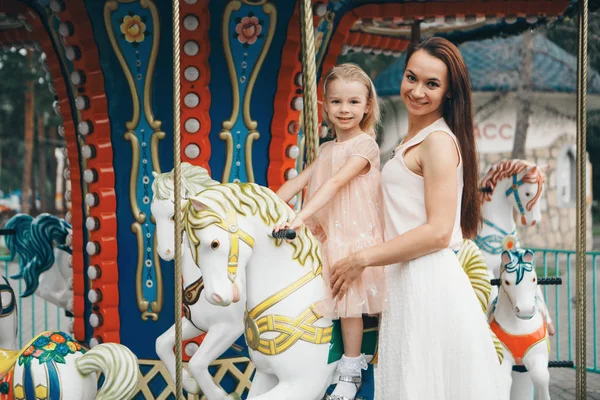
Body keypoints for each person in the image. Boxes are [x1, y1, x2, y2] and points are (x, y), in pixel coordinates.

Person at [329, 38, 500, 399]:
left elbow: (438, 232)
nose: (417, 91)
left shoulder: (437, 142)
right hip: (406, 279)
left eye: (432, 84)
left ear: (449, 93)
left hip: (427, 281)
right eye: (412, 77)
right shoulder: (413, 139)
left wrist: (362, 258)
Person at [275, 63, 386, 400]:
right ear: (325, 106)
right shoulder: (325, 149)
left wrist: (298, 217)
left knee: (350, 303)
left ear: (367, 105)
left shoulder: (365, 146)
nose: (344, 109)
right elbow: (299, 181)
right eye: (336, 102)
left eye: (353, 102)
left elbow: (336, 184)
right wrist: (261, 204)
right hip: (327, 238)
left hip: (355, 239)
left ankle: (351, 371)